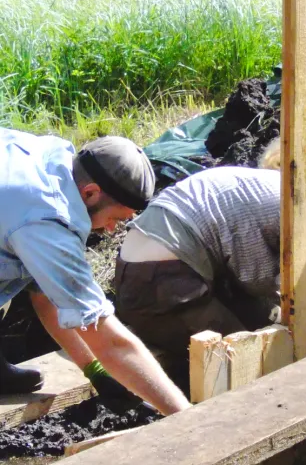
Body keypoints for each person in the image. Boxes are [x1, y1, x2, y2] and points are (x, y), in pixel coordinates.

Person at [114, 139, 306, 369]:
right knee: (246, 361)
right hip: (163, 285)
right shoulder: (298, 201)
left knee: (262, 320)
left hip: (134, 273)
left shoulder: (250, 182)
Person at [0, 129, 190, 416]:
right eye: (114, 218)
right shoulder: (46, 222)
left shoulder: (54, 160)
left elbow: (47, 296)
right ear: (90, 193)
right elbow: (111, 343)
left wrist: (94, 369)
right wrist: (187, 418)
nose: (112, 229)